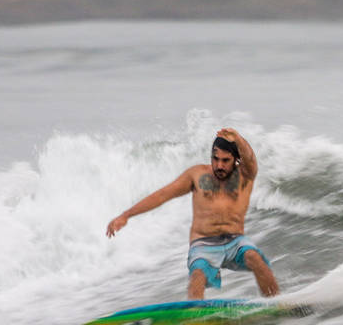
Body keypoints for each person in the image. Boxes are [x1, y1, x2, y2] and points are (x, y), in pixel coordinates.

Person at [106, 128, 279, 300]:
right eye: (215, 159)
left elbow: (250, 158)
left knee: (255, 258)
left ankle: (277, 304)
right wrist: (126, 215)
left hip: (235, 240)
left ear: (236, 160)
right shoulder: (196, 175)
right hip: (203, 243)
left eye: (226, 160)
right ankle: (195, 318)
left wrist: (238, 139)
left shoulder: (245, 175)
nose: (219, 165)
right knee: (197, 275)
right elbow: (162, 195)